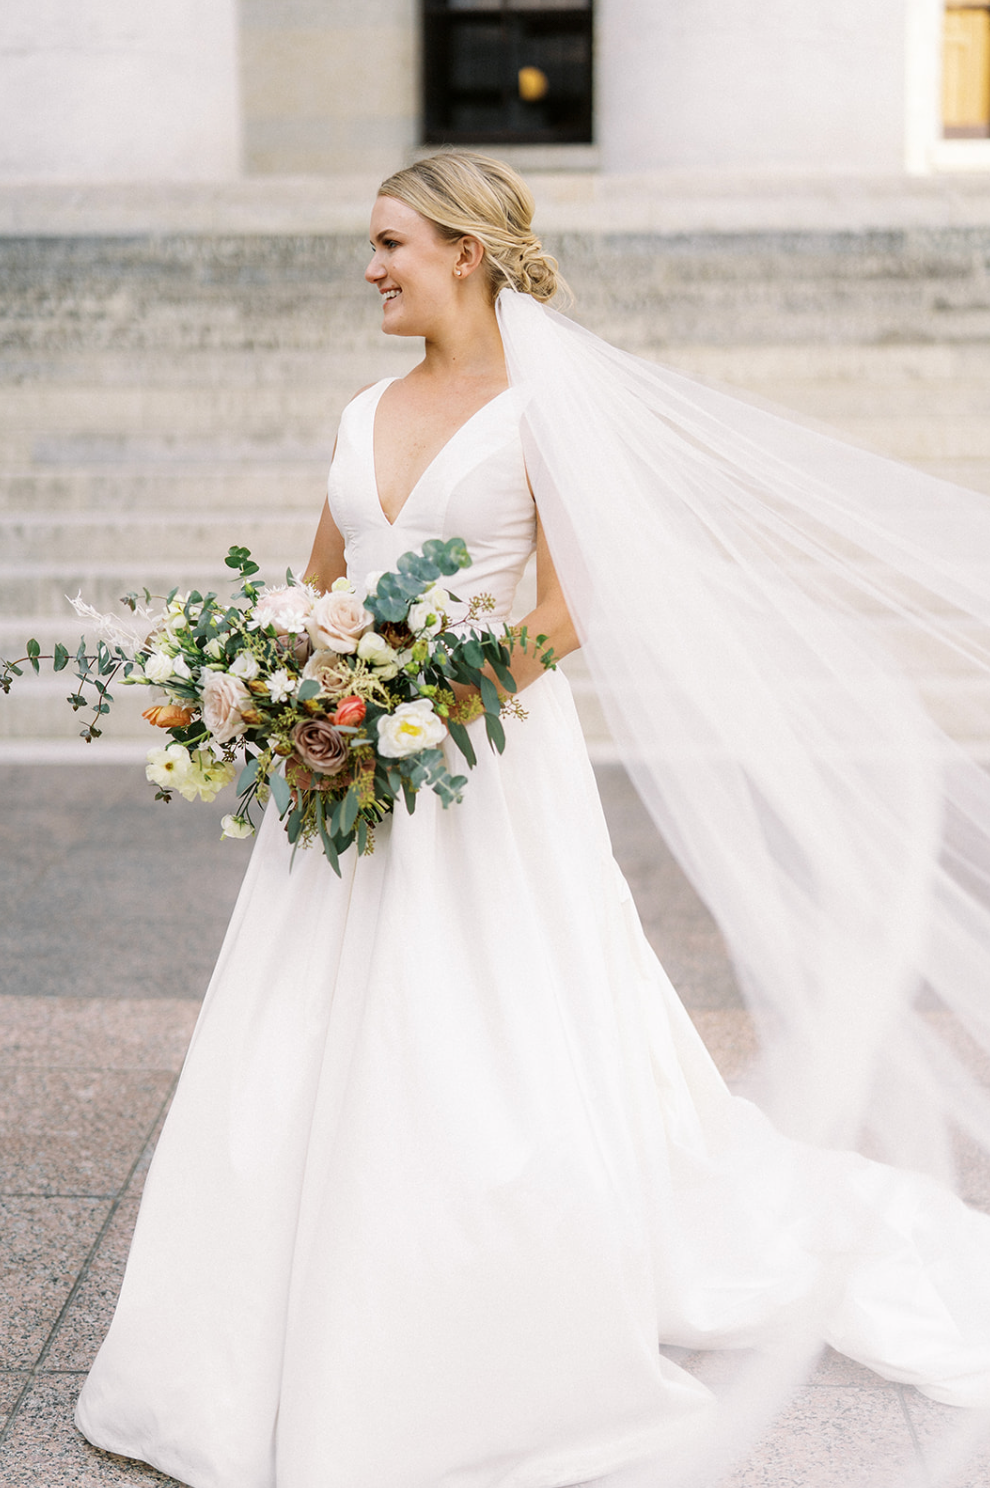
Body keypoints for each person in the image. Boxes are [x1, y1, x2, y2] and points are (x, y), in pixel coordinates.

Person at [74, 151, 990, 1488]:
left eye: (389, 241)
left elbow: (565, 614)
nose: (370, 266)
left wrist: (417, 711)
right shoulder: (360, 409)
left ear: (463, 250)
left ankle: (473, 1300)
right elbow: (313, 585)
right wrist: (287, 699)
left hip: (478, 764)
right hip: (344, 774)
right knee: (307, 1023)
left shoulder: (537, 413)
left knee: (482, 1013)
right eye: (369, 242)